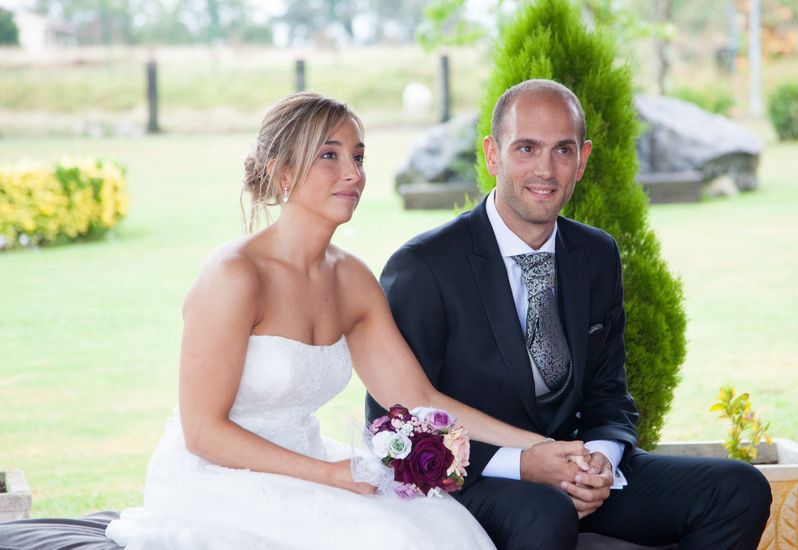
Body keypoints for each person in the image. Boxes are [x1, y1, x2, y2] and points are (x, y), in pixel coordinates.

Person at [103, 91, 558, 550]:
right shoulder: (234, 276)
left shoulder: (351, 279)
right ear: (282, 173)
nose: (353, 174)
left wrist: (538, 446)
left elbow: (418, 397)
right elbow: (202, 433)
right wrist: (327, 475)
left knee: (443, 526)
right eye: (329, 155)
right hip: (218, 478)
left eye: (358, 157)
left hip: (311, 461)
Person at [367, 79, 773, 550]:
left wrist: (599, 461)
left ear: (582, 161)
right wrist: (526, 463)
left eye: (562, 150)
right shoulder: (425, 266)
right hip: (476, 477)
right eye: (526, 148)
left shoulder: (596, 254)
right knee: (547, 512)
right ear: (492, 155)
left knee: (739, 489)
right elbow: (393, 427)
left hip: (576, 474)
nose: (545, 169)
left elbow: (609, 396)